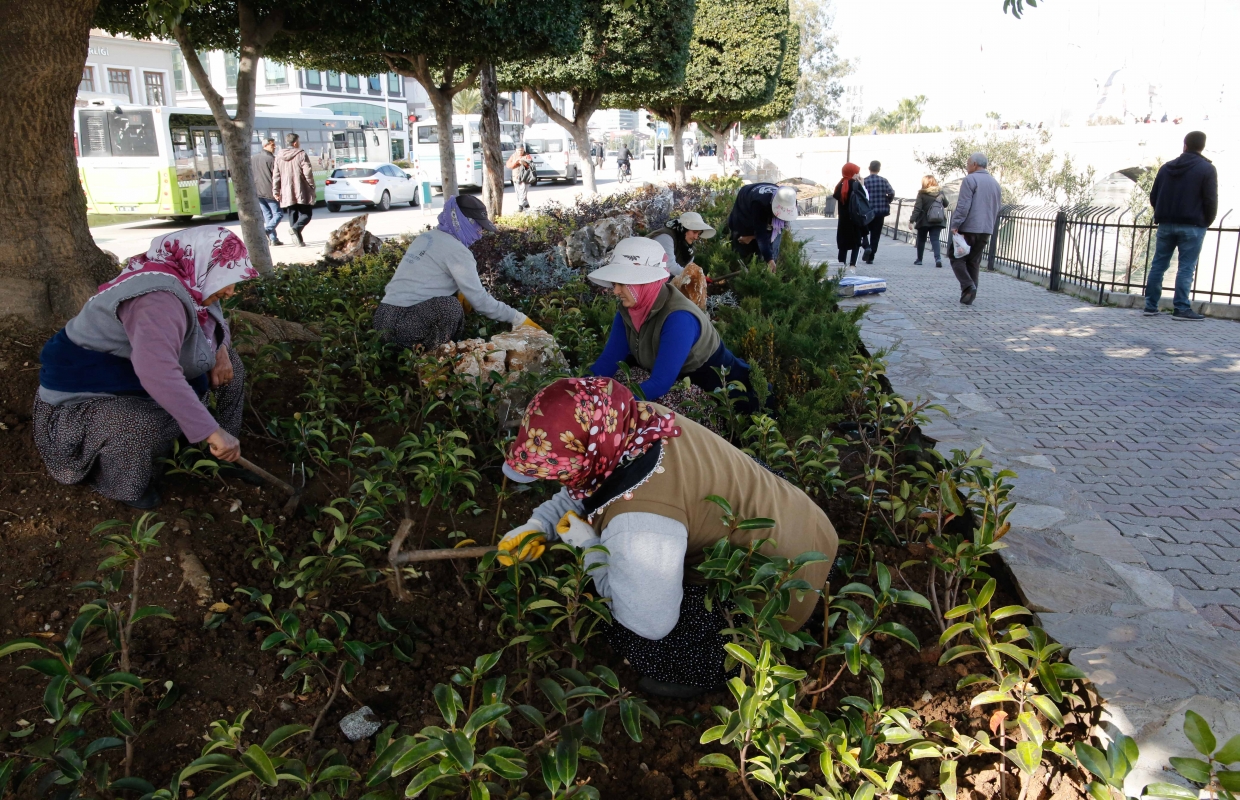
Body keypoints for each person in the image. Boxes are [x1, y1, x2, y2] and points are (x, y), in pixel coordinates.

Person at [495, 376, 838, 697]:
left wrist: (589, 548)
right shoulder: (639, 421)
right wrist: (536, 526)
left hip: (782, 597)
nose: (556, 481)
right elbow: (584, 480)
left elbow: (651, 622)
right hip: (810, 532)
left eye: (557, 472)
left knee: (637, 633)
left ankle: (704, 674)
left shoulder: (639, 526)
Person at [33, 228, 255, 509]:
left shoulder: (189, 277)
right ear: (199, 265)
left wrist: (220, 349)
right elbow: (157, 372)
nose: (230, 291)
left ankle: (221, 454)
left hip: (134, 373)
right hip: (86, 394)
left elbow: (212, 311)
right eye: (225, 280)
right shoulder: (157, 299)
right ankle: (124, 484)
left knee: (230, 365)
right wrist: (211, 430)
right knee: (141, 424)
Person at [589, 237, 755, 406]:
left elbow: (660, 382)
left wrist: (610, 405)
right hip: (677, 382)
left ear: (645, 283)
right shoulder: (629, 311)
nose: (616, 291)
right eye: (615, 283)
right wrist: (577, 388)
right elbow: (608, 362)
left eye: (623, 283)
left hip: (719, 392)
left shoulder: (679, 318)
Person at [374, 194, 541, 350]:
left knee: (450, 303)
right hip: (402, 327)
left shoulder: (427, 237)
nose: (480, 233)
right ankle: (430, 362)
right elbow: (481, 302)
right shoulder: (457, 251)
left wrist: (461, 291)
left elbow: (426, 276)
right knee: (451, 308)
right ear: (463, 221)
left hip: (383, 319)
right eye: (478, 226)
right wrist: (518, 318)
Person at [1143, 131, 1218, 321]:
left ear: (1184, 145)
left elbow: (1154, 197)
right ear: (1202, 146)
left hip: (1166, 223)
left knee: (1158, 265)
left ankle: (1150, 306)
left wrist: (1164, 214)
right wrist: (1207, 221)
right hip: (1193, 224)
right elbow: (1210, 199)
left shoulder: (1166, 168)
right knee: (1186, 267)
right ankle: (1181, 308)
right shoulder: (1206, 169)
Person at [949, 152, 1002, 305]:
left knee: (956, 257)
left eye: (967, 164)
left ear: (974, 164)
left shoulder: (970, 179)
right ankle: (969, 295)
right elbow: (997, 206)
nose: (966, 167)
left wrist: (956, 224)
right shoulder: (994, 182)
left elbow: (964, 205)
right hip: (986, 229)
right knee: (973, 261)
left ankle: (968, 285)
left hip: (969, 227)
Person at [726, 183, 798, 272]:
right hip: (745, 206)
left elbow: (772, 230)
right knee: (743, 245)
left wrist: (771, 260)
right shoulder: (759, 204)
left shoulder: (790, 200)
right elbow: (761, 234)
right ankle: (745, 274)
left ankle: (768, 273)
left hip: (765, 203)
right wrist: (750, 236)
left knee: (771, 251)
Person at [273, 132, 316, 247]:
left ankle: (298, 241)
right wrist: (311, 185)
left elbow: (276, 175)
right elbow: (307, 172)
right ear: (295, 142)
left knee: (293, 214)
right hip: (301, 188)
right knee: (306, 214)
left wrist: (276, 191)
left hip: (286, 190)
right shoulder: (301, 154)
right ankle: (296, 229)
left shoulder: (278, 156)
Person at [647, 211, 716, 276]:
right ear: (684, 229)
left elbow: (686, 269)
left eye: (699, 233)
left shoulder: (690, 250)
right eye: (694, 232)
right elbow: (670, 266)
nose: (696, 237)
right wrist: (694, 276)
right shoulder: (666, 237)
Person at [832, 163, 868, 268]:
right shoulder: (856, 185)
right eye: (857, 172)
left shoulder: (840, 185)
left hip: (843, 220)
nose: (859, 174)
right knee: (856, 243)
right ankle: (852, 266)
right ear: (853, 173)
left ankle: (840, 266)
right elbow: (865, 199)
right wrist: (862, 185)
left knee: (843, 245)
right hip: (855, 220)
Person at [910, 175, 949, 268]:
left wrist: (911, 220)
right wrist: (941, 198)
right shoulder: (940, 192)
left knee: (921, 240)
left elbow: (917, 208)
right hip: (937, 220)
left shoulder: (922, 193)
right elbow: (946, 204)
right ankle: (938, 259)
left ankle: (919, 260)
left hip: (924, 221)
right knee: (935, 239)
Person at [861, 160, 894, 264]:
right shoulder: (884, 181)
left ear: (869, 168)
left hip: (867, 212)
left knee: (863, 231)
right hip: (880, 212)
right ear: (879, 169)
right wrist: (887, 201)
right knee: (875, 235)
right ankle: (871, 257)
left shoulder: (864, 181)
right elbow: (891, 192)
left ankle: (866, 246)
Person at [252, 138, 283, 246]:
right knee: (278, 214)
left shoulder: (254, 158)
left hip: (257, 191)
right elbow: (277, 177)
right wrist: (278, 191)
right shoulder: (272, 159)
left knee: (267, 215)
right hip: (269, 191)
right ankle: (267, 230)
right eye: (272, 145)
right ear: (265, 145)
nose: (274, 147)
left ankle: (273, 239)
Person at [506, 145, 535, 212]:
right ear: (516, 150)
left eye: (522, 150)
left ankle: (520, 206)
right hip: (516, 177)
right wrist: (515, 162)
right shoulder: (513, 156)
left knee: (523, 192)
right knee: (518, 193)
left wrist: (524, 163)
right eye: (519, 150)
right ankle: (526, 204)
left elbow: (531, 165)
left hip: (525, 177)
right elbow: (508, 165)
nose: (520, 152)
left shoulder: (527, 155)